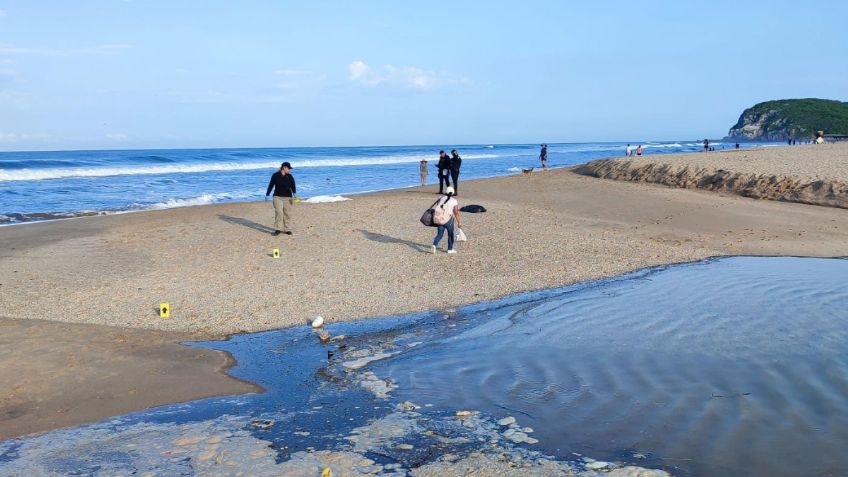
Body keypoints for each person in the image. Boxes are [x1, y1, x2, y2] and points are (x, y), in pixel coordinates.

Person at [265, 162, 296, 236]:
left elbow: (293, 185)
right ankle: (278, 229)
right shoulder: (275, 175)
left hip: (288, 197)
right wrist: (267, 194)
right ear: (284, 167)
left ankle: (287, 229)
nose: (289, 170)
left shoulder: (290, 176)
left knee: (287, 214)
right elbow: (271, 185)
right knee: (279, 212)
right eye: (288, 168)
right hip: (277, 197)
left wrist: (294, 193)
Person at [431, 186, 462, 255]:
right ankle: (450, 249)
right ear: (453, 193)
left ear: (446, 192)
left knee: (439, 234)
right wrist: (459, 222)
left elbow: (438, 206)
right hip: (448, 220)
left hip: (440, 218)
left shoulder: (440, 198)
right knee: (450, 234)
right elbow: (456, 212)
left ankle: (434, 245)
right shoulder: (454, 200)